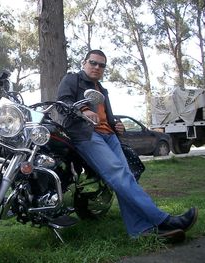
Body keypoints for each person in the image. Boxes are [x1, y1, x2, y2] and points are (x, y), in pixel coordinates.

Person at [56, 49, 198, 241]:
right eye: (93, 62)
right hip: (86, 135)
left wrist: (116, 125)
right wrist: (83, 110)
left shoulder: (102, 89)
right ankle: (163, 220)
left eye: (102, 65)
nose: (97, 67)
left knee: (126, 179)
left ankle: (140, 231)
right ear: (84, 63)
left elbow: (107, 116)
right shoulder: (72, 79)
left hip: (109, 136)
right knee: (119, 175)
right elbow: (63, 102)